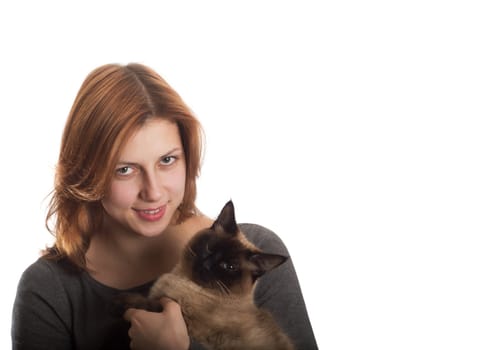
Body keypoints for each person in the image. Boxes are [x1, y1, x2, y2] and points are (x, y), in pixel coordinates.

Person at [11, 63, 318, 350]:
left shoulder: (253, 255)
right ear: (87, 173)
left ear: (188, 157)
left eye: (167, 160)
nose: (154, 192)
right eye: (125, 169)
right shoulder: (49, 291)